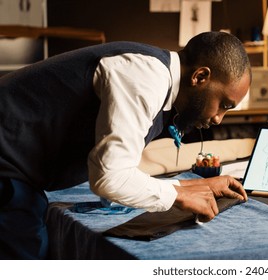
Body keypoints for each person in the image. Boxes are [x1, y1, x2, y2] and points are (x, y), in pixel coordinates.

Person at [0, 31, 251, 259]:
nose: (219, 118)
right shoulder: (144, 78)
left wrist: (190, 186)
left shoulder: (155, 76)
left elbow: (117, 169)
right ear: (200, 76)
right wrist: (178, 194)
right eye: (224, 105)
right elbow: (110, 178)